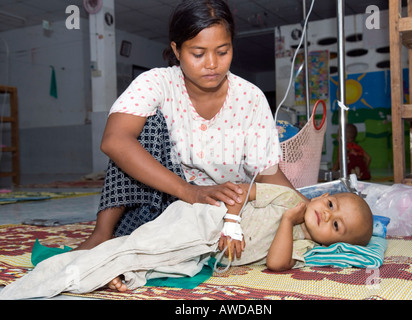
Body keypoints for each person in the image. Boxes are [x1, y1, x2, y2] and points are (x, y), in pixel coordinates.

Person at [76, 0, 301, 251]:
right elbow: (114, 140)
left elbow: (266, 172)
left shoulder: (251, 98)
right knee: (144, 126)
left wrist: (303, 203)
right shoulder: (157, 83)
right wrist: (189, 191)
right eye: (198, 54)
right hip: (160, 202)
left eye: (222, 51)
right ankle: (102, 233)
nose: (212, 63)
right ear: (177, 49)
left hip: (224, 211)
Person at [109, 182, 373, 291]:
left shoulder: (306, 246)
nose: (327, 216)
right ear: (324, 196)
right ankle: (114, 260)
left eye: (336, 225)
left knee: (171, 265)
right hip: (210, 222)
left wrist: (288, 222)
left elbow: (277, 264)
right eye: (331, 206)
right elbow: (239, 191)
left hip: (208, 256)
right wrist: (231, 223)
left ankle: (124, 273)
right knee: (158, 241)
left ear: (333, 244)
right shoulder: (289, 197)